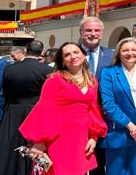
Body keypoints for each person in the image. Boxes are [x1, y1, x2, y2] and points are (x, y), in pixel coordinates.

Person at [19, 42, 108, 175]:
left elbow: (94, 110)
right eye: (67, 54)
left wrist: (94, 137)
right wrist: (40, 141)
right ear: (62, 61)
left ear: (83, 55)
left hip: (81, 137)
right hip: (58, 136)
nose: (73, 56)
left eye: (76, 52)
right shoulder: (55, 79)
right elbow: (45, 109)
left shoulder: (92, 81)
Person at [0, 40, 53, 175]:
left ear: (26, 51)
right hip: (36, 111)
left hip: (14, 110)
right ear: (41, 53)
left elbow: (6, 90)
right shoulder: (47, 70)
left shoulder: (10, 68)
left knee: (9, 146)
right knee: (34, 145)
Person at [99, 38, 136, 174]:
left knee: (135, 172)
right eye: (125, 50)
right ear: (119, 53)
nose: (130, 53)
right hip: (118, 132)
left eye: (133, 50)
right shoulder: (108, 73)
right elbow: (108, 104)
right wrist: (130, 126)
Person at [79, 17, 113, 175]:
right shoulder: (71, 53)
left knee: (99, 163)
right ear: (81, 32)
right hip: (76, 116)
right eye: (88, 30)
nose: (92, 34)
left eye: (96, 30)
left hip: (102, 117)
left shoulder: (112, 56)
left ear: (102, 33)